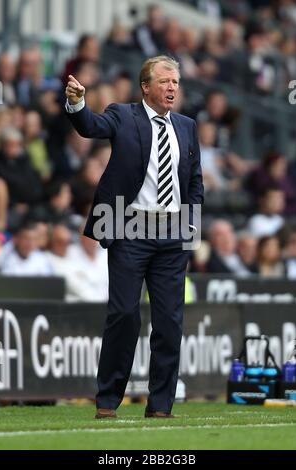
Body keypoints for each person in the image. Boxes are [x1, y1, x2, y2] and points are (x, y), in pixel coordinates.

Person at [65, 55, 203, 419]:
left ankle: (160, 406)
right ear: (146, 86)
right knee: (124, 313)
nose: (172, 87)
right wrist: (77, 102)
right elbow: (90, 127)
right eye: (164, 81)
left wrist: (191, 225)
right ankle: (108, 399)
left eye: (176, 81)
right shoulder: (123, 115)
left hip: (173, 233)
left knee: (170, 321)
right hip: (129, 228)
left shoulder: (187, 126)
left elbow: (194, 181)